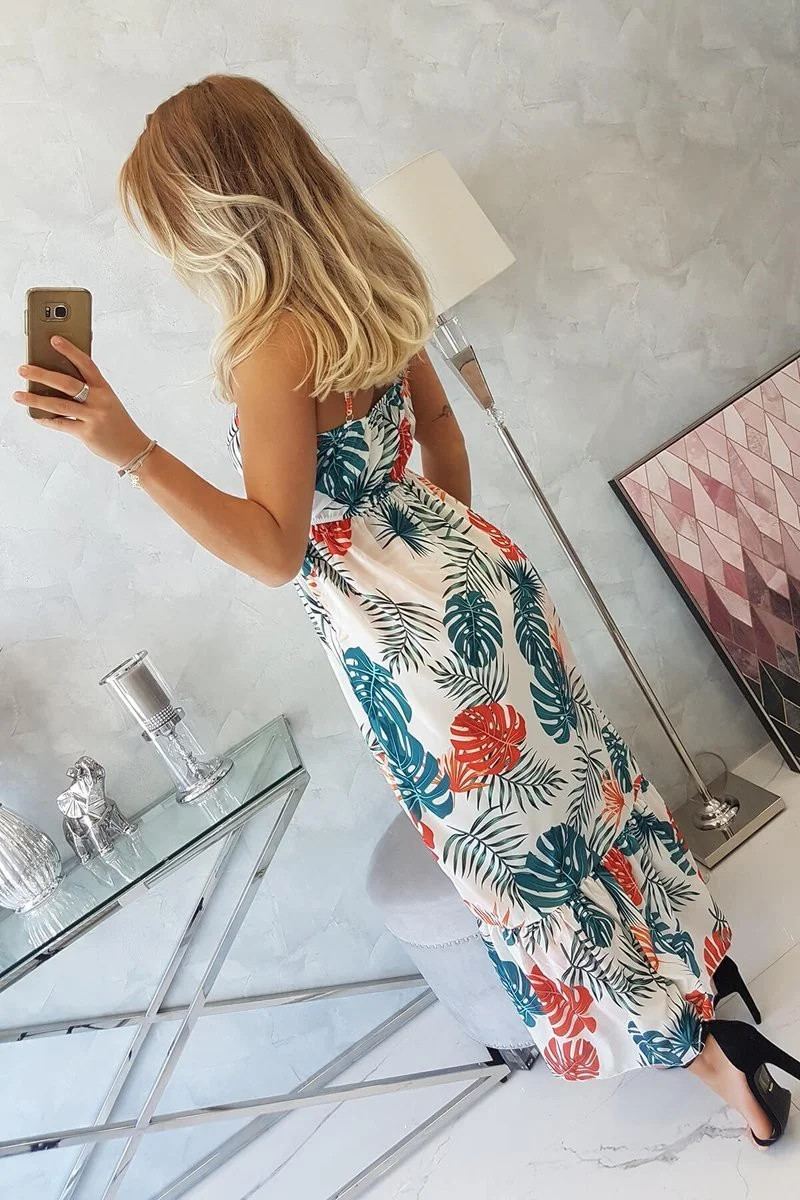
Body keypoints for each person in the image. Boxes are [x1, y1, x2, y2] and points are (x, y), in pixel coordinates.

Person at [13, 74, 800, 1146]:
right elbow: (444, 434)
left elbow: (272, 550)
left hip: (410, 649)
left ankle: (714, 1063)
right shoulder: (371, 271)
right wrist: (438, 560)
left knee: (525, 862)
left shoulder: (268, 347)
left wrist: (132, 451)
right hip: (482, 578)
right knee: (583, 795)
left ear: (214, 213)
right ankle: (704, 975)